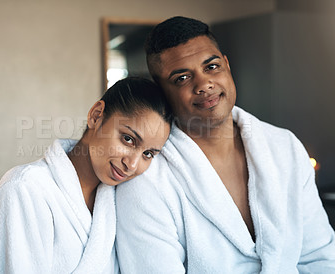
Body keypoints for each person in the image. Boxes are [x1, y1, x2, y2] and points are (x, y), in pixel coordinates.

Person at [115, 16, 335, 273]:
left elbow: (320, 256)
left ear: (227, 65)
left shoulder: (285, 147)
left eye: (211, 66)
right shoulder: (146, 178)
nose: (204, 84)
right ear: (161, 91)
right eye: (182, 78)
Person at [0, 77, 172, 274]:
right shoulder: (24, 188)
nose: (132, 164)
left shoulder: (116, 202)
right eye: (128, 139)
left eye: (148, 154)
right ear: (96, 115)